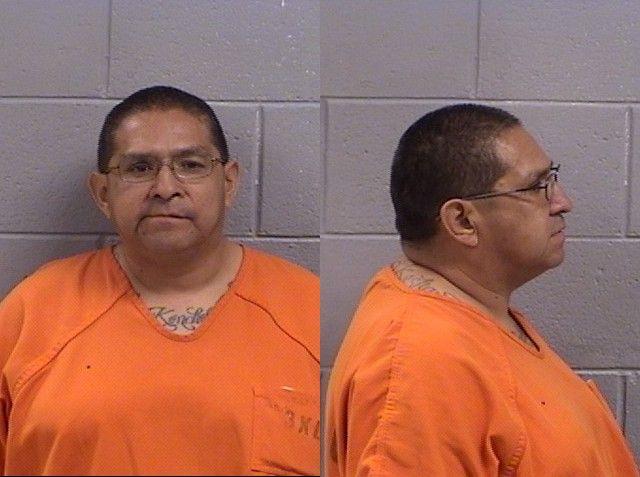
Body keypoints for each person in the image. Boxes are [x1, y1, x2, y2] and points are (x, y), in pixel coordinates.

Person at [0, 86, 319, 476]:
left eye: (191, 165)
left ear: (229, 183)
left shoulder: (307, 310)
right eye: (139, 168)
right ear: (103, 193)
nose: (166, 188)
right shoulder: (33, 312)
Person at [325, 104, 638, 476]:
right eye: (537, 187)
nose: (562, 202)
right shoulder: (425, 361)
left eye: (552, 178)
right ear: (462, 221)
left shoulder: (470, 314)